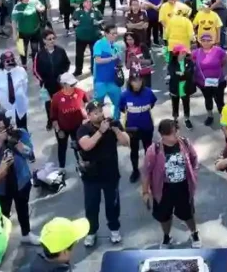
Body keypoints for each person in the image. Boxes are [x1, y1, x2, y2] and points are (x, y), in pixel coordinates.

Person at [141, 118, 202, 249]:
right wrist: (145, 192)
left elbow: (194, 158)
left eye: (177, 131)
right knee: (164, 216)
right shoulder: (154, 150)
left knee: (188, 213)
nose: (177, 134)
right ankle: (166, 237)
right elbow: (146, 171)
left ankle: (194, 233)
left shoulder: (184, 143)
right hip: (164, 189)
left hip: (183, 186)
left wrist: (194, 173)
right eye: (173, 133)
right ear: (163, 135)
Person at [76, 101, 129, 247]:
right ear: (89, 115)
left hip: (110, 174)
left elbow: (126, 142)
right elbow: (86, 146)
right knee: (91, 206)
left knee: (112, 204)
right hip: (91, 176)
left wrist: (116, 131)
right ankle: (91, 232)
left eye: (100, 111)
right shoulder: (83, 129)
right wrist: (101, 132)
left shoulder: (114, 124)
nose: (99, 115)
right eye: (95, 113)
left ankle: (114, 229)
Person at [0, 116, 39, 244]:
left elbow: (30, 154)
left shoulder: (20, 133)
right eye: (0, 128)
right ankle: (1, 242)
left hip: (21, 181)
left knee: (23, 209)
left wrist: (18, 144)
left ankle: (26, 233)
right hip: (2, 184)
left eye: (6, 127)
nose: (4, 130)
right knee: (3, 214)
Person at [119, 72, 157, 183]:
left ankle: (150, 169)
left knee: (148, 150)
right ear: (130, 82)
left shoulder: (148, 92)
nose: (138, 83)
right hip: (132, 129)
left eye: (140, 80)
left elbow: (152, 103)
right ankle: (135, 171)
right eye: (135, 80)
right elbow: (122, 108)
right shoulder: (124, 95)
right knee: (134, 150)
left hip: (147, 126)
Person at [34, 29, 71, 130]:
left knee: (62, 102)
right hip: (47, 84)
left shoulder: (61, 50)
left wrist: (63, 75)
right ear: (44, 40)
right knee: (49, 104)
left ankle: (63, 119)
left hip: (60, 83)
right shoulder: (39, 54)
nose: (52, 41)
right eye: (49, 39)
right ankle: (50, 120)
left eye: (54, 38)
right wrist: (42, 80)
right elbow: (35, 70)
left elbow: (67, 63)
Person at [50, 73, 88, 169]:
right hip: (62, 128)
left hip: (77, 127)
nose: (74, 86)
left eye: (74, 83)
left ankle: (82, 163)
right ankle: (61, 168)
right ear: (64, 84)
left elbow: (88, 104)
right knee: (62, 147)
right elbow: (53, 117)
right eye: (71, 84)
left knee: (79, 146)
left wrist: (87, 116)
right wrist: (58, 130)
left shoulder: (80, 92)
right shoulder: (56, 97)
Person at [0, 50, 30, 130]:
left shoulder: (21, 71)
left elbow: (25, 87)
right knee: (9, 132)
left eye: (12, 60)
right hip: (4, 109)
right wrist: (0, 108)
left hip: (19, 107)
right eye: (7, 61)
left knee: (23, 129)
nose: (10, 62)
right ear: (2, 62)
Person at [193, 32, 227, 126]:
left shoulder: (218, 50)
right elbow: (191, 63)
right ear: (200, 42)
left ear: (212, 41)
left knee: (219, 100)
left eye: (208, 41)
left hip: (219, 81)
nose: (206, 43)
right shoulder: (196, 52)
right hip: (203, 82)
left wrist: (219, 67)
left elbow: (225, 59)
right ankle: (210, 115)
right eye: (203, 41)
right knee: (208, 99)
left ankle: (224, 117)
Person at [92, 25, 123, 121]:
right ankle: (98, 122)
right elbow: (97, 60)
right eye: (112, 33)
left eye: (116, 33)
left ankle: (116, 122)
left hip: (113, 81)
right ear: (106, 33)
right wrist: (111, 58)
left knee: (118, 103)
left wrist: (119, 62)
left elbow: (119, 62)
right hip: (100, 80)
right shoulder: (99, 44)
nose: (115, 35)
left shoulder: (117, 46)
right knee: (97, 104)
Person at [167, 44, 197, 128]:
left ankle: (187, 118)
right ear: (177, 53)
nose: (184, 53)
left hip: (185, 86)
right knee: (175, 103)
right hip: (175, 86)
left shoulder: (189, 61)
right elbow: (173, 74)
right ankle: (175, 119)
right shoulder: (172, 63)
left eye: (185, 52)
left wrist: (181, 73)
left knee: (186, 103)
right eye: (182, 52)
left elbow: (190, 73)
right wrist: (182, 73)